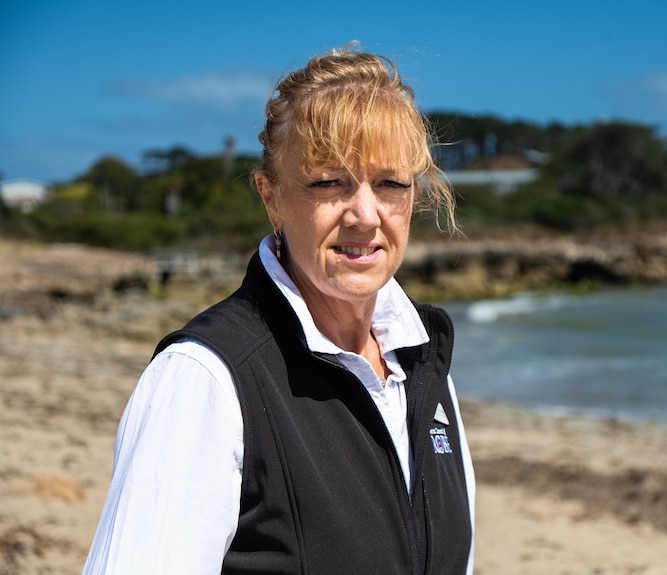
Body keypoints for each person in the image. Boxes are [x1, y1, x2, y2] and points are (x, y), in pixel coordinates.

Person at [83, 43, 475, 574]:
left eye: (390, 183)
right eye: (327, 182)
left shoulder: (427, 372)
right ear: (271, 196)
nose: (365, 213)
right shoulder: (207, 380)